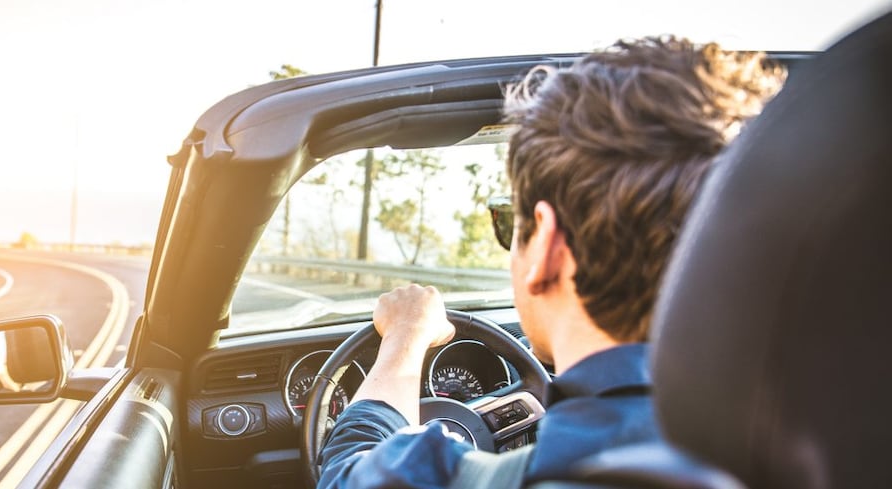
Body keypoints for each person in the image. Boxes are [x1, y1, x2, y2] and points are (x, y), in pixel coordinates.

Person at [318, 36, 786, 489]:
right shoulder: (837, 441)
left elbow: (349, 466)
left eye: (510, 225)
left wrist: (405, 336)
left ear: (546, 246)